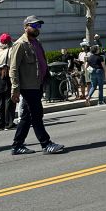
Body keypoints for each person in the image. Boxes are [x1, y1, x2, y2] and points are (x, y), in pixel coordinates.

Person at [9, 16, 64, 155]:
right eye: (34, 26)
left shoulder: (37, 43)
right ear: (26, 27)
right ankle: (46, 144)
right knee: (36, 114)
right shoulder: (20, 44)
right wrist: (15, 88)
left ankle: (17, 145)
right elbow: (13, 68)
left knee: (27, 117)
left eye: (39, 26)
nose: (37, 28)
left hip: (38, 84)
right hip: (28, 86)